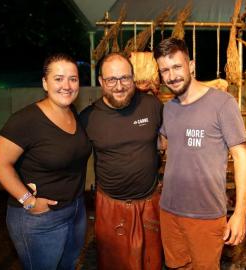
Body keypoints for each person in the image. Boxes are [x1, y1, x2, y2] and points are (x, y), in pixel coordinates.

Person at [153, 38, 246, 270]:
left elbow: (241, 157)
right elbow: (164, 144)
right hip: (168, 210)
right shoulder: (169, 109)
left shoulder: (223, 103)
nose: (172, 75)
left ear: (192, 66)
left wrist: (240, 212)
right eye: (165, 70)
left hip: (206, 215)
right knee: (176, 267)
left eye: (177, 67)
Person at [0, 53, 91, 270]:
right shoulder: (25, 120)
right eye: (58, 78)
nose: (67, 85)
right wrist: (29, 201)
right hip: (39, 219)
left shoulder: (71, 112)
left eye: (73, 79)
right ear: (45, 83)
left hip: (75, 211)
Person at [79, 52, 163, 270]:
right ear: (101, 82)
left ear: (133, 77)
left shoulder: (153, 106)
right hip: (110, 207)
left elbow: (170, 140)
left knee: (152, 264)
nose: (119, 86)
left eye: (125, 78)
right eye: (111, 80)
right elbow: (68, 159)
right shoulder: (88, 118)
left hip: (149, 205)